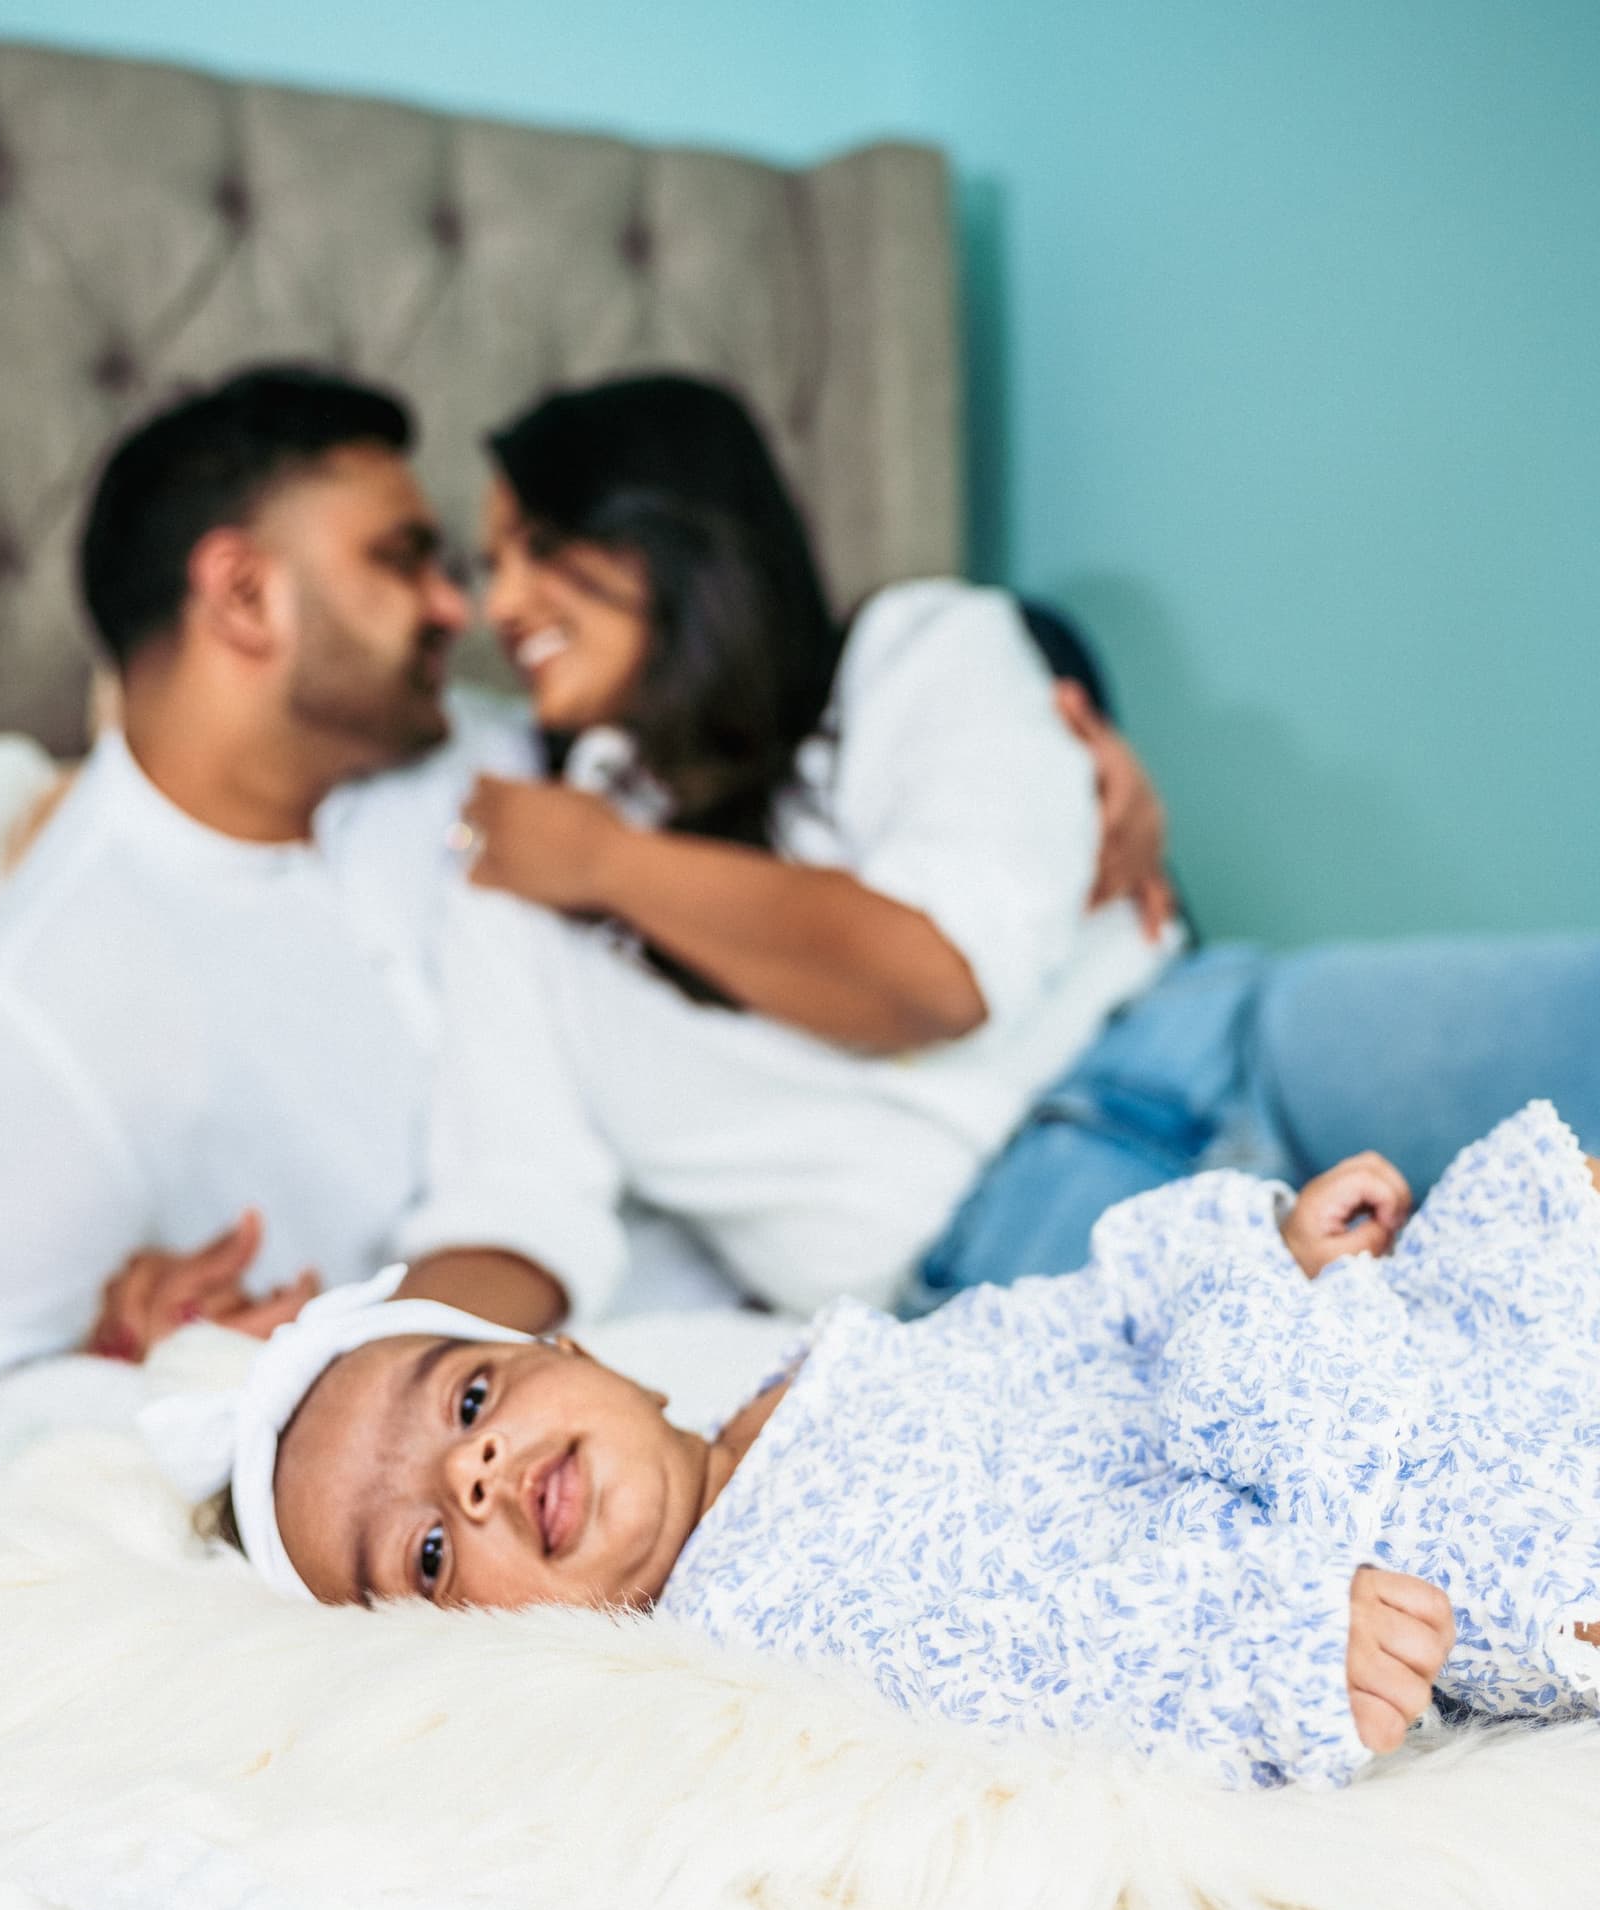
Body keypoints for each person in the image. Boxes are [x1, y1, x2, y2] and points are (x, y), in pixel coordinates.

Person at [0, 365, 1166, 1378]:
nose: (466, 609)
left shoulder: (504, 766)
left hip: (1053, 1111)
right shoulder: (39, 1010)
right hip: (737, 1337)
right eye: (404, 559)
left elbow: (786, 708)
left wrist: (1074, 728)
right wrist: (129, 1348)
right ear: (243, 596)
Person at [392, 374, 1600, 1336]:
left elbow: (937, 977)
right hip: (1006, 1253)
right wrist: (341, 1363)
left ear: (670, 531)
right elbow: (516, 1202)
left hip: (1196, 1035)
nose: (500, 606)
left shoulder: (922, 648)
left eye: (538, 545)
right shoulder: (512, 880)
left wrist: (610, 864)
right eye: (489, 565)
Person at [142, 1106, 1600, 1793]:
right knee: (1520, 1528)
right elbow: (1041, 1676)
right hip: (1342, 1519)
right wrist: (1265, 1652)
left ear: (580, 1359)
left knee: (1529, 1233)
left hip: (1296, 1368)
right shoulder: (746, 1639)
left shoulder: (810, 1376)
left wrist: (1262, 1257)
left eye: (468, 1403)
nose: (467, 1478)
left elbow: (1052, 1324)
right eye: (426, 1552)